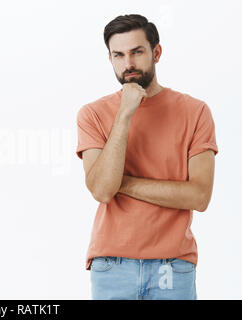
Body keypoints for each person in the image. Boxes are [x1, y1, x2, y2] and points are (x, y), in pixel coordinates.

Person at [76, 14, 218, 300]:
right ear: (110, 59)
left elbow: (199, 196)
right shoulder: (92, 114)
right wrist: (125, 113)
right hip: (112, 265)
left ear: (156, 52)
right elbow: (103, 190)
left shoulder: (195, 112)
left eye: (137, 52)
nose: (128, 64)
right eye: (118, 55)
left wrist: (122, 183)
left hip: (173, 266)